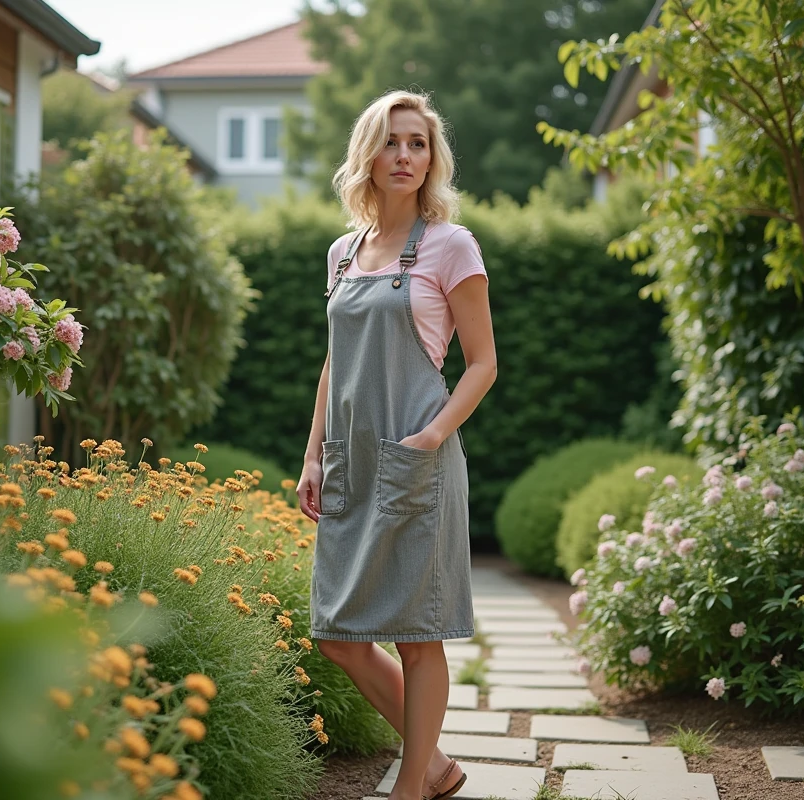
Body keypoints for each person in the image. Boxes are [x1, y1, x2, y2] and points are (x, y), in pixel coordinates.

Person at [296, 89, 497, 800]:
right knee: (337, 635)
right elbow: (335, 361)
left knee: (416, 634)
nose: (405, 155)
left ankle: (412, 786)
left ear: (432, 159)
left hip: (416, 458)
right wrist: (314, 453)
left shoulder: (451, 245)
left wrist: (431, 436)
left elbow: (483, 363)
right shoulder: (342, 252)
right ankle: (435, 764)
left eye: (418, 143)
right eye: (391, 141)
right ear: (368, 154)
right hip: (351, 462)